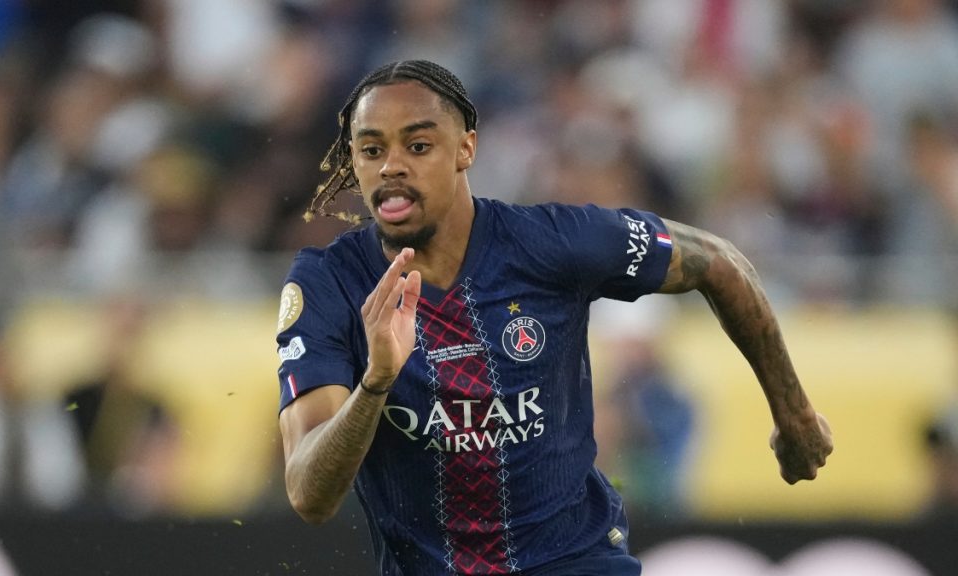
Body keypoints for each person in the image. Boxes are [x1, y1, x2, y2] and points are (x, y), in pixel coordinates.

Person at [276, 60, 833, 576]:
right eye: (371, 150)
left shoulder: (552, 244)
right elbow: (309, 495)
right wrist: (375, 383)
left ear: (466, 149)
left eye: (418, 145)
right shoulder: (330, 284)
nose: (391, 166)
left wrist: (795, 415)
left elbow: (719, 263)